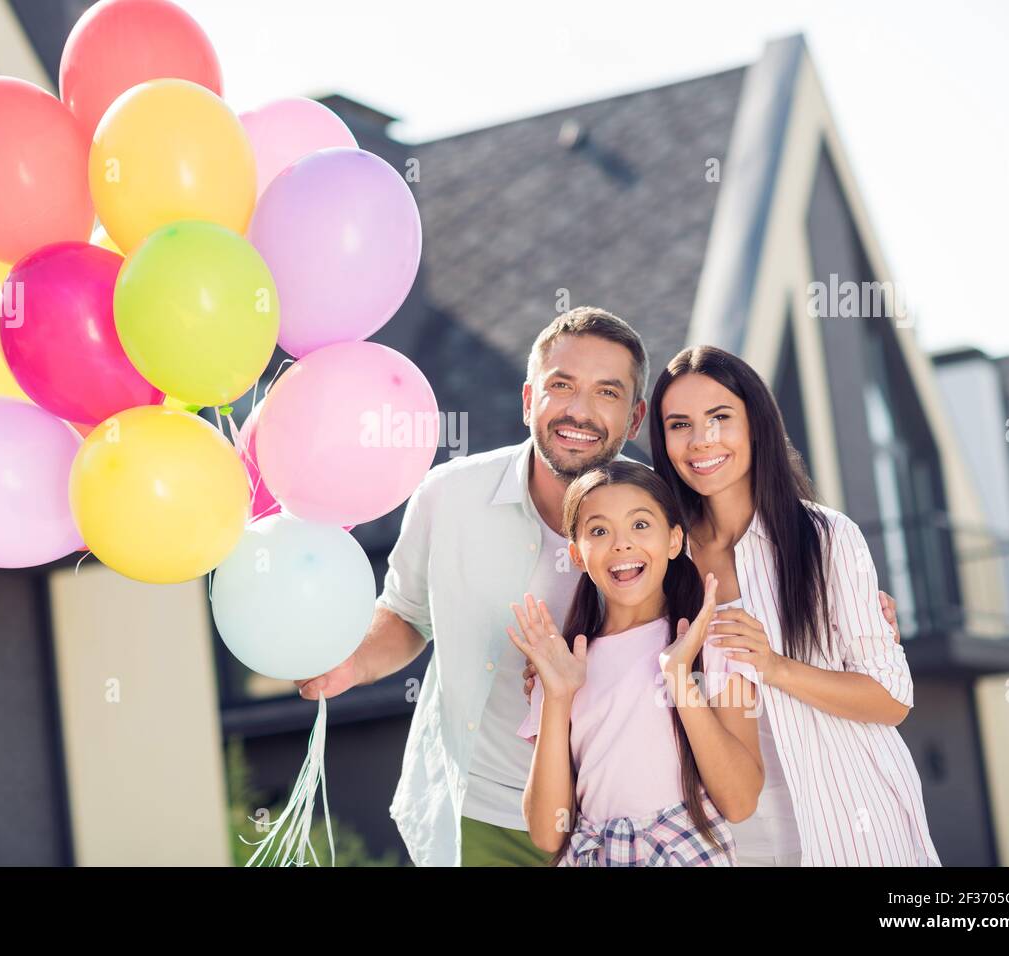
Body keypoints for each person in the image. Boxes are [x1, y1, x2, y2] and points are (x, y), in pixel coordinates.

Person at [298, 307, 899, 867]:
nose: (580, 410)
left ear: (633, 419)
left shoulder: (662, 525)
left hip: (623, 826)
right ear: (529, 396)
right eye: (562, 385)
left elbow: (747, 605)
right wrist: (349, 667)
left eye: (607, 392)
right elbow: (405, 616)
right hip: (476, 806)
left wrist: (845, 612)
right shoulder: (446, 497)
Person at [643, 345, 940, 866]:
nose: (701, 440)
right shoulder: (662, 558)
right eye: (679, 424)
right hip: (737, 839)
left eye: (720, 418)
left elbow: (891, 698)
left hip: (857, 823)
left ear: (755, 424)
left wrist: (776, 667)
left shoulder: (825, 537)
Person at [511, 461, 763, 866]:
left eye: (640, 525)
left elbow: (740, 801)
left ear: (674, 540)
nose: (621, 544)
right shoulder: (563, 666)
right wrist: (557, 697)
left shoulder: (712, 640)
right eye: (598, 531)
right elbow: (546, 832)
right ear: (576, 554)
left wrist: (680, 680)